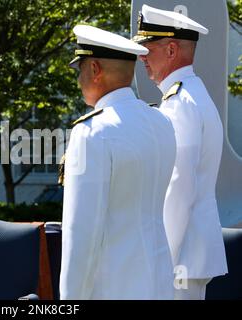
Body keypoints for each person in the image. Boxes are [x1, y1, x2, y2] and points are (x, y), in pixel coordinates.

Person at [59, 25, 176, 299]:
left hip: (112, 288)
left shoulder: (91, 132)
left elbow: (81, 236)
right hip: (160, 281)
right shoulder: (162, 122)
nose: (78, 81)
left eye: (80, 70)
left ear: (95, 69)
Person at [133, 4, 228, 300]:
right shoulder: (190, 94)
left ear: (172, 50)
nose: (141, 57)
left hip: (180, 256)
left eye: (148, 48)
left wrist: (164, 256)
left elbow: (179, 185)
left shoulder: (180, 102)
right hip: (190, 252)